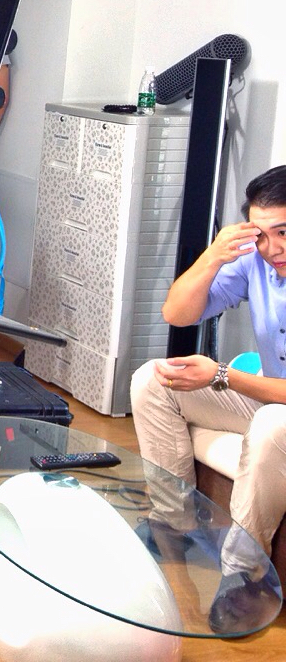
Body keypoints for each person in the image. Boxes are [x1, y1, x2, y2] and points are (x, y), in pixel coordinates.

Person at [131, 165, 286, 633]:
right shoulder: (259, 262)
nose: (272, 249)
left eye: (283, 233)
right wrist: (214, 256)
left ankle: (245, 572)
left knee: (271, 425)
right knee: (153, 380)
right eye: (260, 235)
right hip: (271, 397)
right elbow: (176, 312)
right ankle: (172, 525)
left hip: (277, 415)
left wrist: (222, 375)